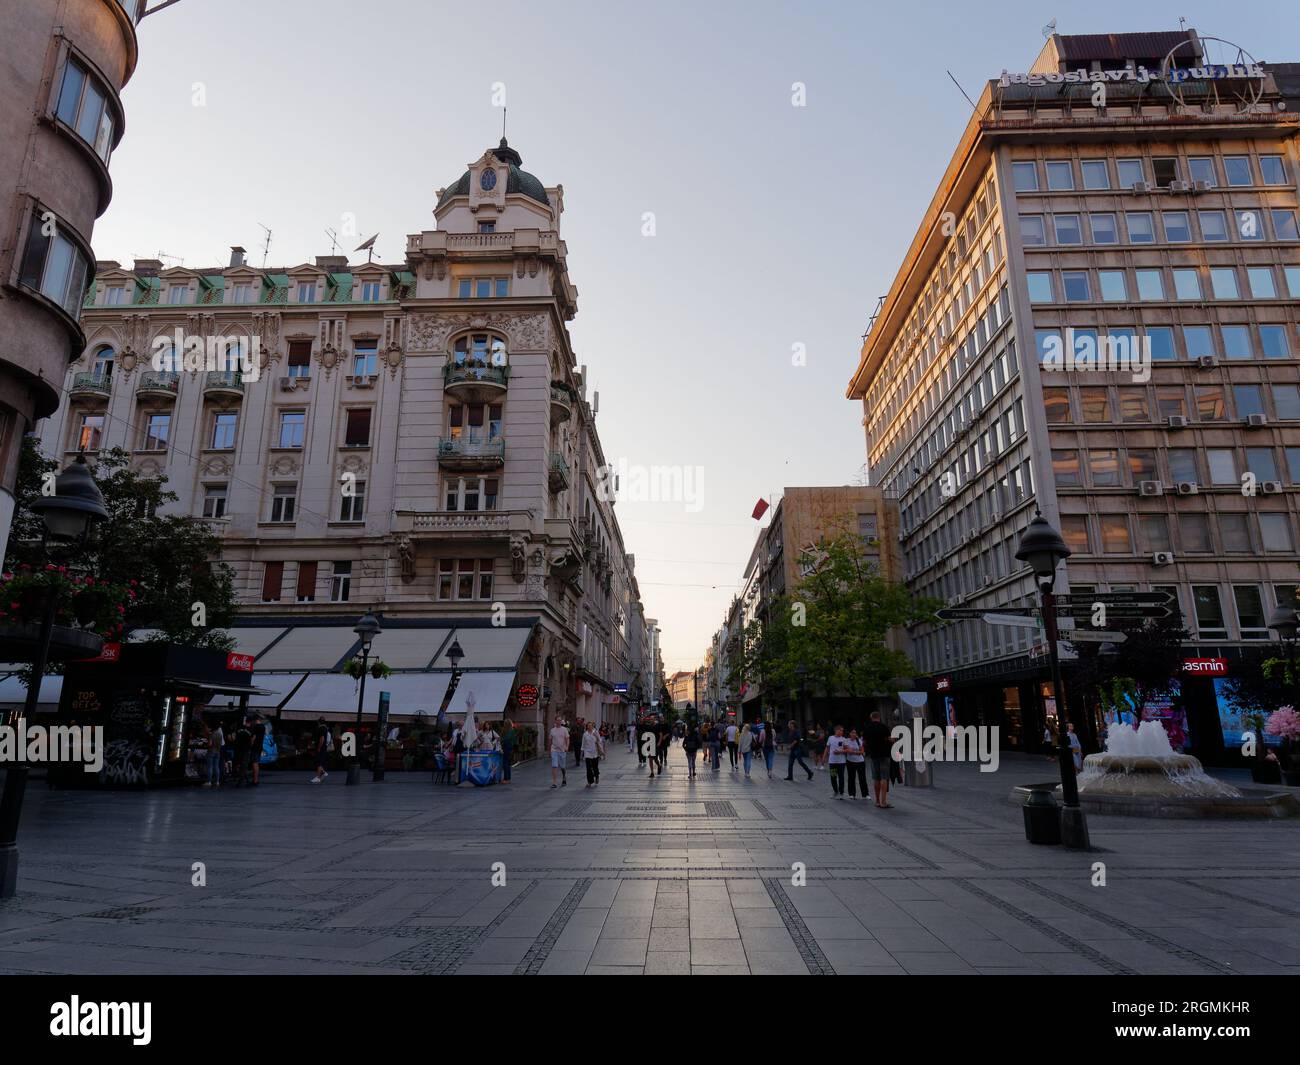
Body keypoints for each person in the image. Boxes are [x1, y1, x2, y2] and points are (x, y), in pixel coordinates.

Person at [864, 710, 894, 808]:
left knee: (876, 778)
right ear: (879, 717)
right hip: (884, 755)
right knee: (884, 778)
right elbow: (890, 739)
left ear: (871, 717)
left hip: (873, 756)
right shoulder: (883, 727)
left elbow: (864, 743)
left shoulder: (867, 728)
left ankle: (877, 801)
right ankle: (883, 802)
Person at [826, 724, 848, 799]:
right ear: (836, 730)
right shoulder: (830, 738)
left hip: (841, 762)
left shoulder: (844, 739)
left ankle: (841, 793)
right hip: (832, 762)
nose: (842, 732)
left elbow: (847, 749)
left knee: (841, 777)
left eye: (842, 730)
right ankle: (835, 791)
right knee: (833, 777)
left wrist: (840, 751)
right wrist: (828, 754)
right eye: (840, 730)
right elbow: (828, 747)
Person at [844, 728, 867, 800]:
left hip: (860, 761)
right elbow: (848, 750)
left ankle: (865, 794)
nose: (854, 734)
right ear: (849, 734)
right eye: (852, 732)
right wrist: (857, 752)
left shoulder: (859, 740)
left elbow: (862, 751)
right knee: (851, 777)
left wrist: (854, 751)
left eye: (855, 733)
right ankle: (851, 794)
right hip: (850, 761)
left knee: (862, 778)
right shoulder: (846, 741)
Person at [549, 718, 570, 788]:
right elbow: (550, 740)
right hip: (554, 750)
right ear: (555, 721)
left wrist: (567, 746)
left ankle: (564, 777)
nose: (559, 721)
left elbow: (567, 739)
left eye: (560, 720)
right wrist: (550, 749)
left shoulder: (564, 729)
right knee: (554, 765)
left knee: (562, 766)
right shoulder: (552, 730)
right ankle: (554, 782)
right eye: (557, 720)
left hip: (562, 750)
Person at [582, 720, 603, 787]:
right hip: (587, 753)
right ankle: (590, 782)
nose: (590, 727)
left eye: (591, 726)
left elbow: (600, 740)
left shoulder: (596, 732)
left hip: (595, 752)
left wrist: (596, 737)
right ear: (587, 727)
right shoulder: (585, 734)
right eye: (588, 726)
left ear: (593, 726)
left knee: (595, 767)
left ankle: (596, 776)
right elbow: (583, 744)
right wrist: (582, 752)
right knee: (588, 768)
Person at [310, 717, 331, 783]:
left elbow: (322, 739)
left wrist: (319, 747)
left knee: (319, 762)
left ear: (319, 722)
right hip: (323, 747)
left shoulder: (321, 728)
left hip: (321, 747)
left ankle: (318, 777)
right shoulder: (326, 728)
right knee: (318, 761)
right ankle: (323, 772)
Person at [249, 715, 267, 786]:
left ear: (255, 720)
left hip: (255, 747)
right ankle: (256, 779)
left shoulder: (256, 727)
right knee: (256, 763)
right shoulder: (263, 727)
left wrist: (250, 744)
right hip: (260, 746)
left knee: (254, 763)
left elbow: (253, 737)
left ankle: (255, 780)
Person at [205, 721, 223, 788]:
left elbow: (210, 744)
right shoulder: (220, 734)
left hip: (211, 751)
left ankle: (209, 781)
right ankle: (217, 781)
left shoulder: (212, 734)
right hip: (218, 751)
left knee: (210, 766)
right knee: (216, 766)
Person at [500, 718, 516, 783]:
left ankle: (506, 779)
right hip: (509, 747)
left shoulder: (510, 731)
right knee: (507, 763)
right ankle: (507, 778)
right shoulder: (511, 731)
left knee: (505, 763)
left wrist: (501, 740)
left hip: (507, 747)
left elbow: (507, 739)